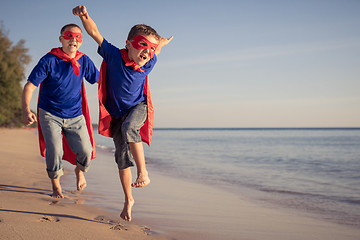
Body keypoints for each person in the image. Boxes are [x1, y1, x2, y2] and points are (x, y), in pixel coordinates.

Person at [73, 5, 173, 221]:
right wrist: (84, 17)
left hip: (138, 108)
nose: (147, 52)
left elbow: (155, 50)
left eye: (151, 49)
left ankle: (143, 173)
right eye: (142, 45)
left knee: (130, 128)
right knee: (121, 157)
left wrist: (160, 43)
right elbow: (94, 34)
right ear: (128, 44)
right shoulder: (114, 56)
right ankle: (129, 200)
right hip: (117, 115)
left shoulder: (149, 61)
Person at [22, 23, 99, 199]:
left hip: (75, 115)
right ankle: (56, 184)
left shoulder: (84, 60)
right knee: (55, 150)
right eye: (69, 36)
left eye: (78, 37)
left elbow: (100, 80)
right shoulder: (49, 60)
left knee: (86, 151)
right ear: (61, 39)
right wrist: (26, 110)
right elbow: (30, 86)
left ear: (81, 41)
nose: (73, 40)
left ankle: (80, 171)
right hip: (50, 113)